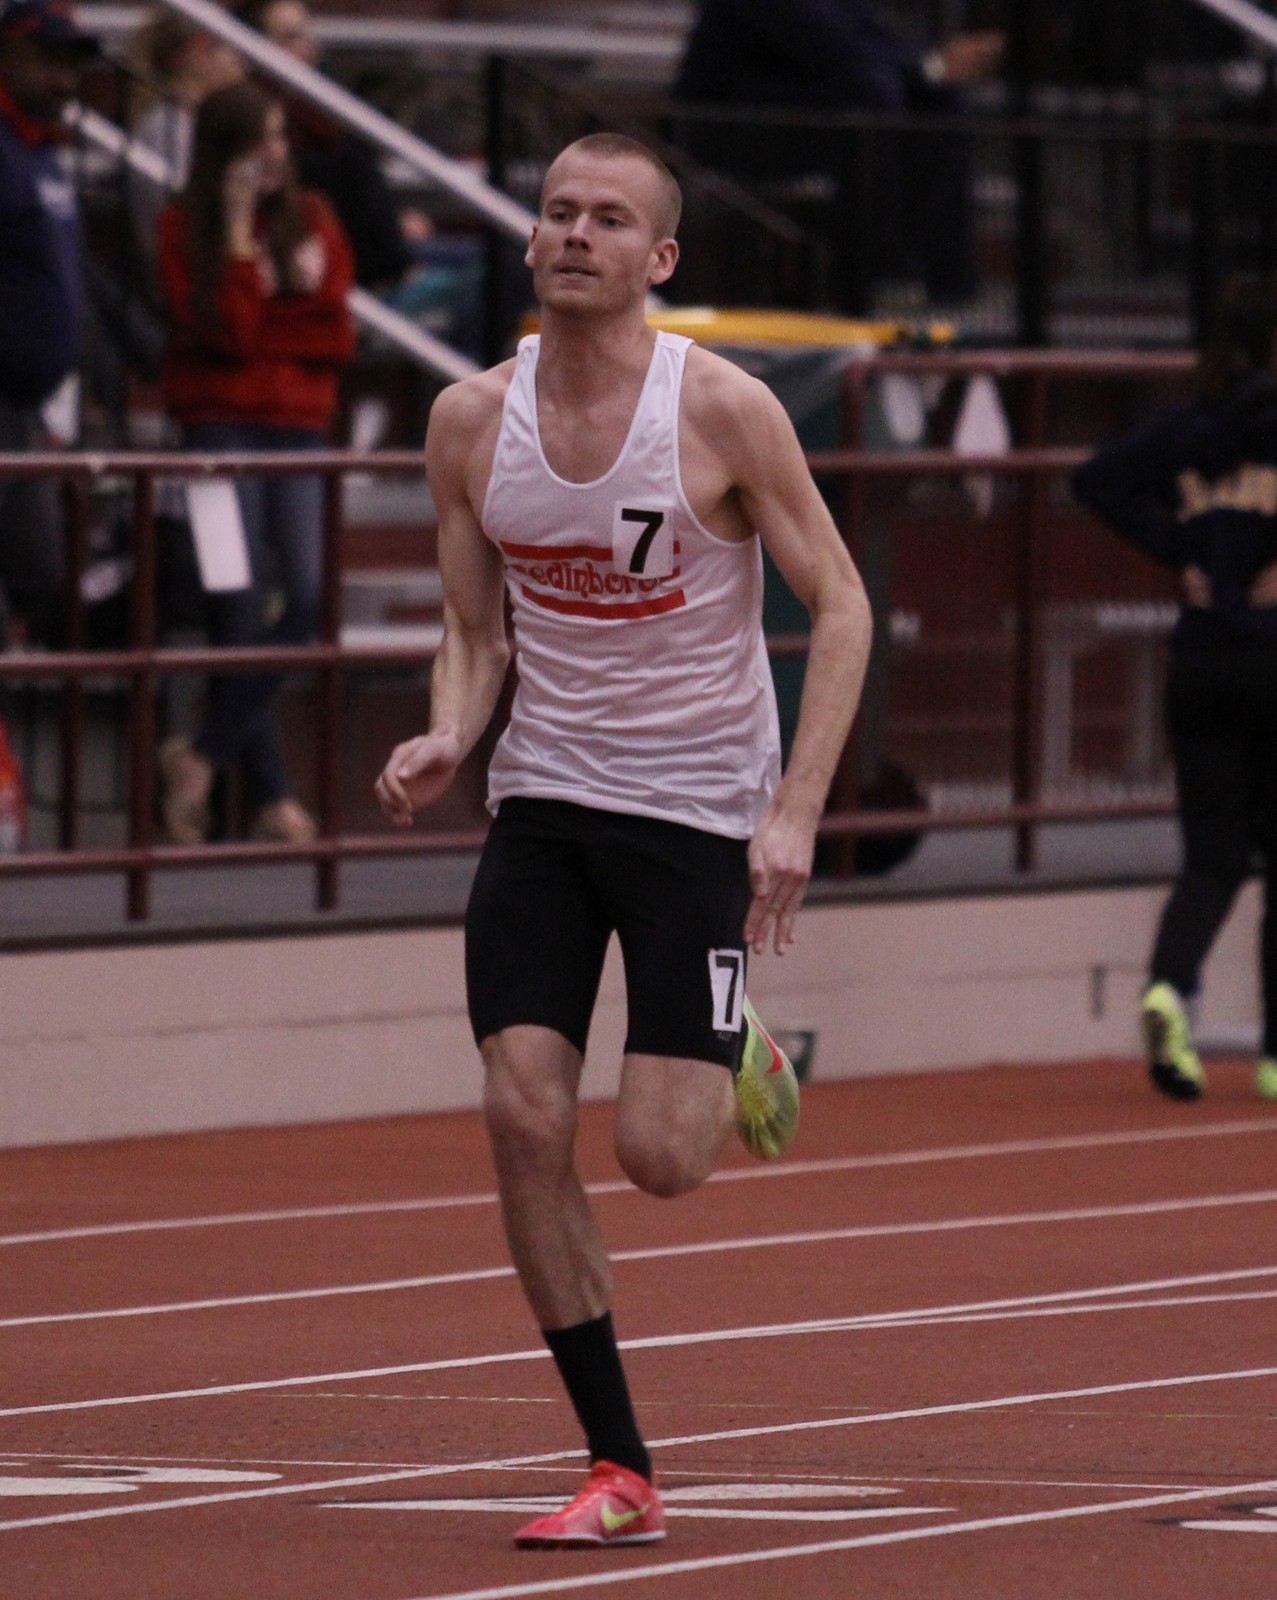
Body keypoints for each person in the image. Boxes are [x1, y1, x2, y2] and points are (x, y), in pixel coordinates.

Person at [376, 133, 872, 1548]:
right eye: (556, 213)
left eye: (607, 219)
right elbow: (475, 629)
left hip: (695, 808)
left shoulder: (720, 410)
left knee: (661, 1156)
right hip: (543, 797)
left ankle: (729, 1040)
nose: (574, 235)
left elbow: (841, 603)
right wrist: (451, 732)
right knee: (521, 1110)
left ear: (658, 258)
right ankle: (619, 1466)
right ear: (530, 240)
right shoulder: (470, 420)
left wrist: (794, 810)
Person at [1073, 271, 1277, 1105]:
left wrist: (1179, 553)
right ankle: (1274, 1056)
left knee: (1210, 858)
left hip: (1200, 662)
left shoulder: (1186, 428)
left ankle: (1167, 985)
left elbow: (1094, 480)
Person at [156, 80, 355, 845]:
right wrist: (239, 239)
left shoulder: (317, 218)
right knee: (235, 606)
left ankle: (201, 758)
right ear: (223, 152)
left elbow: (336, 336)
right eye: (257, 140)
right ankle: (270, 795)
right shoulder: (183, 227)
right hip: (213, 438)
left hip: (299, 432)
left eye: (278, 137)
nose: (274, 153)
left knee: (305, 599)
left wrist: (269, 325)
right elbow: (226, 333)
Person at [673, 0, 1002, 310]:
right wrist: (932, 66)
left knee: (939, 102)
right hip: (737, 130)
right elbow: (826, 47)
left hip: (817, 120)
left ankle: (949, 285)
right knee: (873, 96)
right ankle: (872, 282)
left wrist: (933, 70)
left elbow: (872, 37)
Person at [0, 0, 99, 649]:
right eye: (48, 61)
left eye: (71, 65)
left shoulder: (41, 154)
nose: (65, 80)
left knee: (43, 578)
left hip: (26, 407)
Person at [234, 0, 417, 292]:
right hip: (360, 284)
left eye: (305, 36)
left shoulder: (325, 117)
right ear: (254, 50)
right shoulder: (264, 131)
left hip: (386, 270)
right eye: (289, 38)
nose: (307, 50)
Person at [127, 10, 245, 288]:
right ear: (195, 53)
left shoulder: (202, 123)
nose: (241, 62)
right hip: (187, 277)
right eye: (227, 48)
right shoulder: (165, 128)